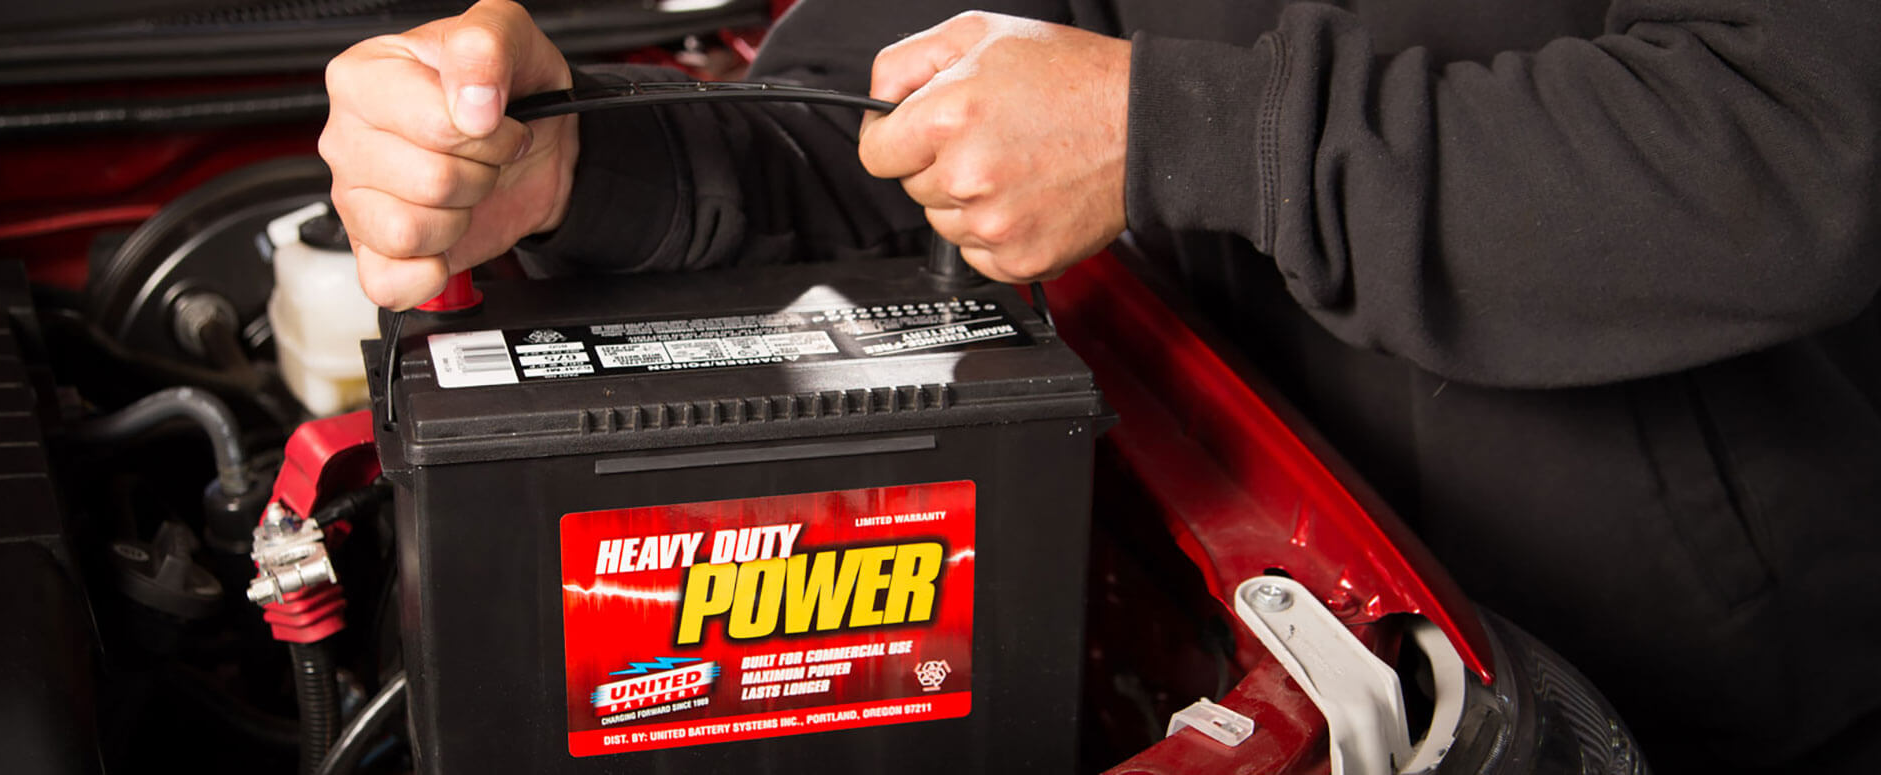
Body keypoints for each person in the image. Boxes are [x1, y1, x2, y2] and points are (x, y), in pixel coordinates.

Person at [318, 0, 1881, 771]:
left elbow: (1813, 141)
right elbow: (890, 98)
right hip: (1210, 557)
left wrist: (1178, 133)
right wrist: (571, 168)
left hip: (1668, 693)